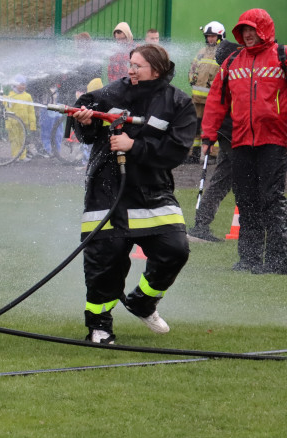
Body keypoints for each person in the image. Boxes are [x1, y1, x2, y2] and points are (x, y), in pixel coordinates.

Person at [70, 44, 197, 344]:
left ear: (157, 69)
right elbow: (86, 129)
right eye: (130, 64)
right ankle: (99, 326)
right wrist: (84, 122)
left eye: (137, 66)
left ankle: (142, 301)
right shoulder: (112, 94)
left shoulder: (178, 103)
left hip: (153, 190)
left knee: (175, 250)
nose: (130, 70)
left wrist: (134, 147)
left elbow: (176, 151)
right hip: (107, 189)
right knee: (106, 258)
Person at [201, 8, 287, 275]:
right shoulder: (233, 62)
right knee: (246, 199)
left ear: (264, 29)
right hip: (240, 140)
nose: (248, 34)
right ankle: (249, 259)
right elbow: (216, 103)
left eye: (252, 29)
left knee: (271, 198)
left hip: (275, 140)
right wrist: (208, 136)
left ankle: (280, 262)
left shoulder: (284, 57)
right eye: (244, 30)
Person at [188, 39, 240, 243]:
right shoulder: (231, 75)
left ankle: (201, 223)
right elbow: (216, 107)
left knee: (224, 180)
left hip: (229, 136)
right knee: (227, 181)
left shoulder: (226, 73)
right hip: (234, 137)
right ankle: (201, 224)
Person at [188, 22, 226, 162]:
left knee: (212, 127)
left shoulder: (223, 53)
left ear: (220, 36)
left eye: (213, 36)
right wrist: (191, 78)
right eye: (208, 36)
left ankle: (213, 155)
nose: (210, 39)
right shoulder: (202, 52)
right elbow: (193, 67)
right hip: (197, 99)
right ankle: (194, 154)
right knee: (195, 126)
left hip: (213, 100)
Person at [5, 74, 37, 161]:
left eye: (24, 84)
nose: (23, 86)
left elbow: (31, 111)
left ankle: (22, 156)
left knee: (23, 140)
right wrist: (8, 124)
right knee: (14, 140)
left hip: (24, 123)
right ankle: (15, 156)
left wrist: (32, 123)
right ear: (15, 85)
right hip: (13, 123)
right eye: (21, 84)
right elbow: (7, 111)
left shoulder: (27, 96)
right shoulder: (10, 96)